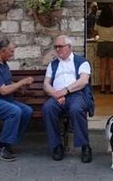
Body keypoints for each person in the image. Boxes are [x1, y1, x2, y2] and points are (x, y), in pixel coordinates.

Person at [0, 37, 34, 161]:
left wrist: (21, 88)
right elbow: (3, 90)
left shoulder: (3, 63)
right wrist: (22, 82)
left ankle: (10, 142)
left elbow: (7, 82)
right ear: (2, 51)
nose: (13, 55)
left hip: (5, 101)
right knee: (14, 111)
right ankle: (1, 148)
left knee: (27, 111)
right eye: (11, 52)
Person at [43, 35, 94, 163]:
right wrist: (56, 94)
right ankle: (56, 146)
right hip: (57, 96)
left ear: (69, 47)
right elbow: (46, 84)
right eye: (56, 47)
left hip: (76, 94)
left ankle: (85, 147)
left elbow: (83, 81)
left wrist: (65, 91)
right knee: (48, 108)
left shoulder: (82, 61)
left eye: (60, 46)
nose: (57, 49)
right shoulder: (53, 64)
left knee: (76, 109)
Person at [95, 5, 113, 94]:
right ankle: (112, 89)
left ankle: (102, 88)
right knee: (112, 68)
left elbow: (95, 32)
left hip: (102, 44)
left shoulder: (98, 22)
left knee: (103, 68)